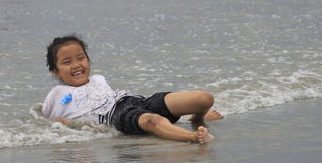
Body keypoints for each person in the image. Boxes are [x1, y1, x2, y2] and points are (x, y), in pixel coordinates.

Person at [42, 33, 221, 144]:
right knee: (152, 121)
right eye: (67, 62)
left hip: (134, 100)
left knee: (204, 98)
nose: (76, 65)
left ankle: (197, 118)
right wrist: (64, 123)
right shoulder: (57, 93)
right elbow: (46, 119)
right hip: (115, 116)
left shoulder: (98, 78)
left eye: (81, 58)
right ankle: (193, 137)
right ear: (56, 71)